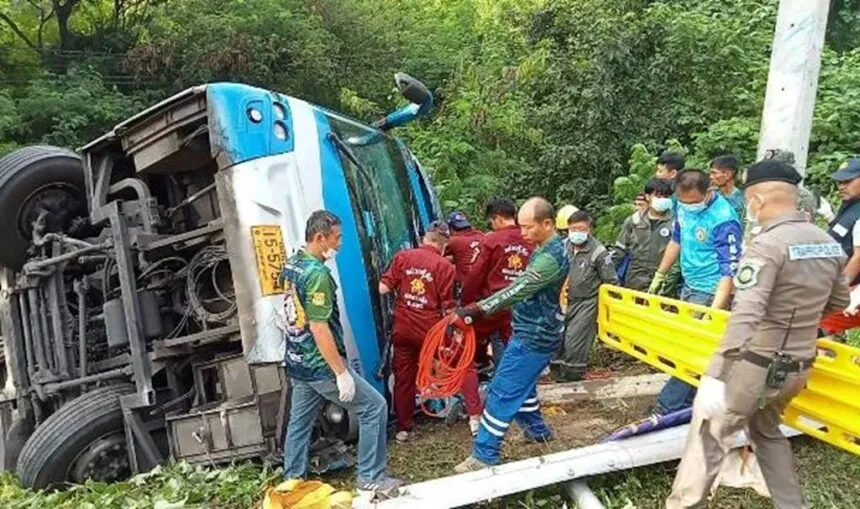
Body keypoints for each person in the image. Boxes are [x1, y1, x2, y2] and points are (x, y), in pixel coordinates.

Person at [666, 160, 850, 509]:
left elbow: (746, 315)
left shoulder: (767, 245)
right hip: (799, 366)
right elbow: (840, 301)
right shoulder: (826, 242)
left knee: (709, 436)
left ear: (759, 201)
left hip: (755, 366)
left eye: (750, 201)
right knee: (767, 433)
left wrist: (719, 372)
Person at [281, 210, 402, 498]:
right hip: (320, 364)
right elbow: (319, 327)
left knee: (299, 424)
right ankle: (370, 478)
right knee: (374, 407)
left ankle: (291, 483)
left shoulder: (293, 264)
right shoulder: (317, 275)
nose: (340, 244)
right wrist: (341, 373)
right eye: (337, 238)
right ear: (320, 237)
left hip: (297, 361)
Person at [452, 197, 569, 473]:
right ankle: (537, 432)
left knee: (502, 391)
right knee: (523, 385)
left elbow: (518, 289)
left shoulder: (551, 258)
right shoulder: (543, 247)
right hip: (531, 329)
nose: (523, 233)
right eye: (521, 227)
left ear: (548, 224)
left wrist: (477, 309)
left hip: (535, 337)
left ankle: (484, 454)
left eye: (528, 228)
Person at [647, 170, 742, 415]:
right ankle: (690, 399)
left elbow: (729, 270)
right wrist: (660, 274)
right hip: (689, 285)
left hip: (710, 290)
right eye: (683, 201)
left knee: (691, 348)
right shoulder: (682, 206)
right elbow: (676, 241)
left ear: (708, 192)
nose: (687, 206)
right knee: (689, 346)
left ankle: (669, 405)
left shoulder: (723, 219)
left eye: (692, 202)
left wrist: (715, 309)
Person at [459, 197, 534, 434]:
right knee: (512, 356)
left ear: (497, 218)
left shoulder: (491, 240)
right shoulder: (531, 240)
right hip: (520, 309)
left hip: (490, 307)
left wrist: (467, 306)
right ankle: (513, 406)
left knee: (464, 352)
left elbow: (475, 276)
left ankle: (476, 413)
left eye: (492, 222)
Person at [379, 221, 457, 442]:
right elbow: (448, 307)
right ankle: (445, 406)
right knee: (444, 366)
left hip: (403, 329)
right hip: (429, 332)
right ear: (443, 245)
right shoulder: (445, 267)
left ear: (424, 238)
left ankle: (403, 427)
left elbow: (382, 288)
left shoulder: (403, 257)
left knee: (404, 377)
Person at [551, 211, 619, 382]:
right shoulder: (563, 246)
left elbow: (610, 281)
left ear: (590, 230)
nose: (576, 233)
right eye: (573, 229)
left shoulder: (598, 252)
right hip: (562, 299)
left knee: (575, 340)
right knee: (558, 338)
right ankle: (557, 373)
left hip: (586, 302)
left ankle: (573, 375)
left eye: (581, 229)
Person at [614, 178, 675, 291]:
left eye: (666, 196)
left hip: (664, 278)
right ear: (648, 197)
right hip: (635, 276)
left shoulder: (676, 221)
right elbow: (620, 250)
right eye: (658, 195)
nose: (662, 199)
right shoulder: (634, 220)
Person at [828, 158, 860, 285]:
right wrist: (830, 218)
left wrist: (841, 290)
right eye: (839, 182)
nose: (841, 187)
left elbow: (858, 257)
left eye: (847, 181)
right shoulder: (851, 204)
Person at [445, 210, 484, 289]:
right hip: (484, 284)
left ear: (451, 229)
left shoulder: (454, 241)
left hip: (468, 287)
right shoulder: (481, 235)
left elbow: (437, 258)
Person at [709, 154, 745, 221]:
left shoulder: (742, 202)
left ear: (728, 175)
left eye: (714, 173)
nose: (711, 176)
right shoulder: (711, 196)